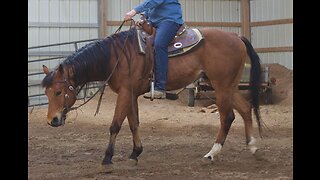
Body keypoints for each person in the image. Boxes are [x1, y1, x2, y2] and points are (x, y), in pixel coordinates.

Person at [124, 0, 184, 99]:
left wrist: (133, 11)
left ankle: (160, 87)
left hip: (169, 20)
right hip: (155, 22)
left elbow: (153, 2)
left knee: (159, 45)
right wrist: (145, 18)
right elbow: (151, 8)